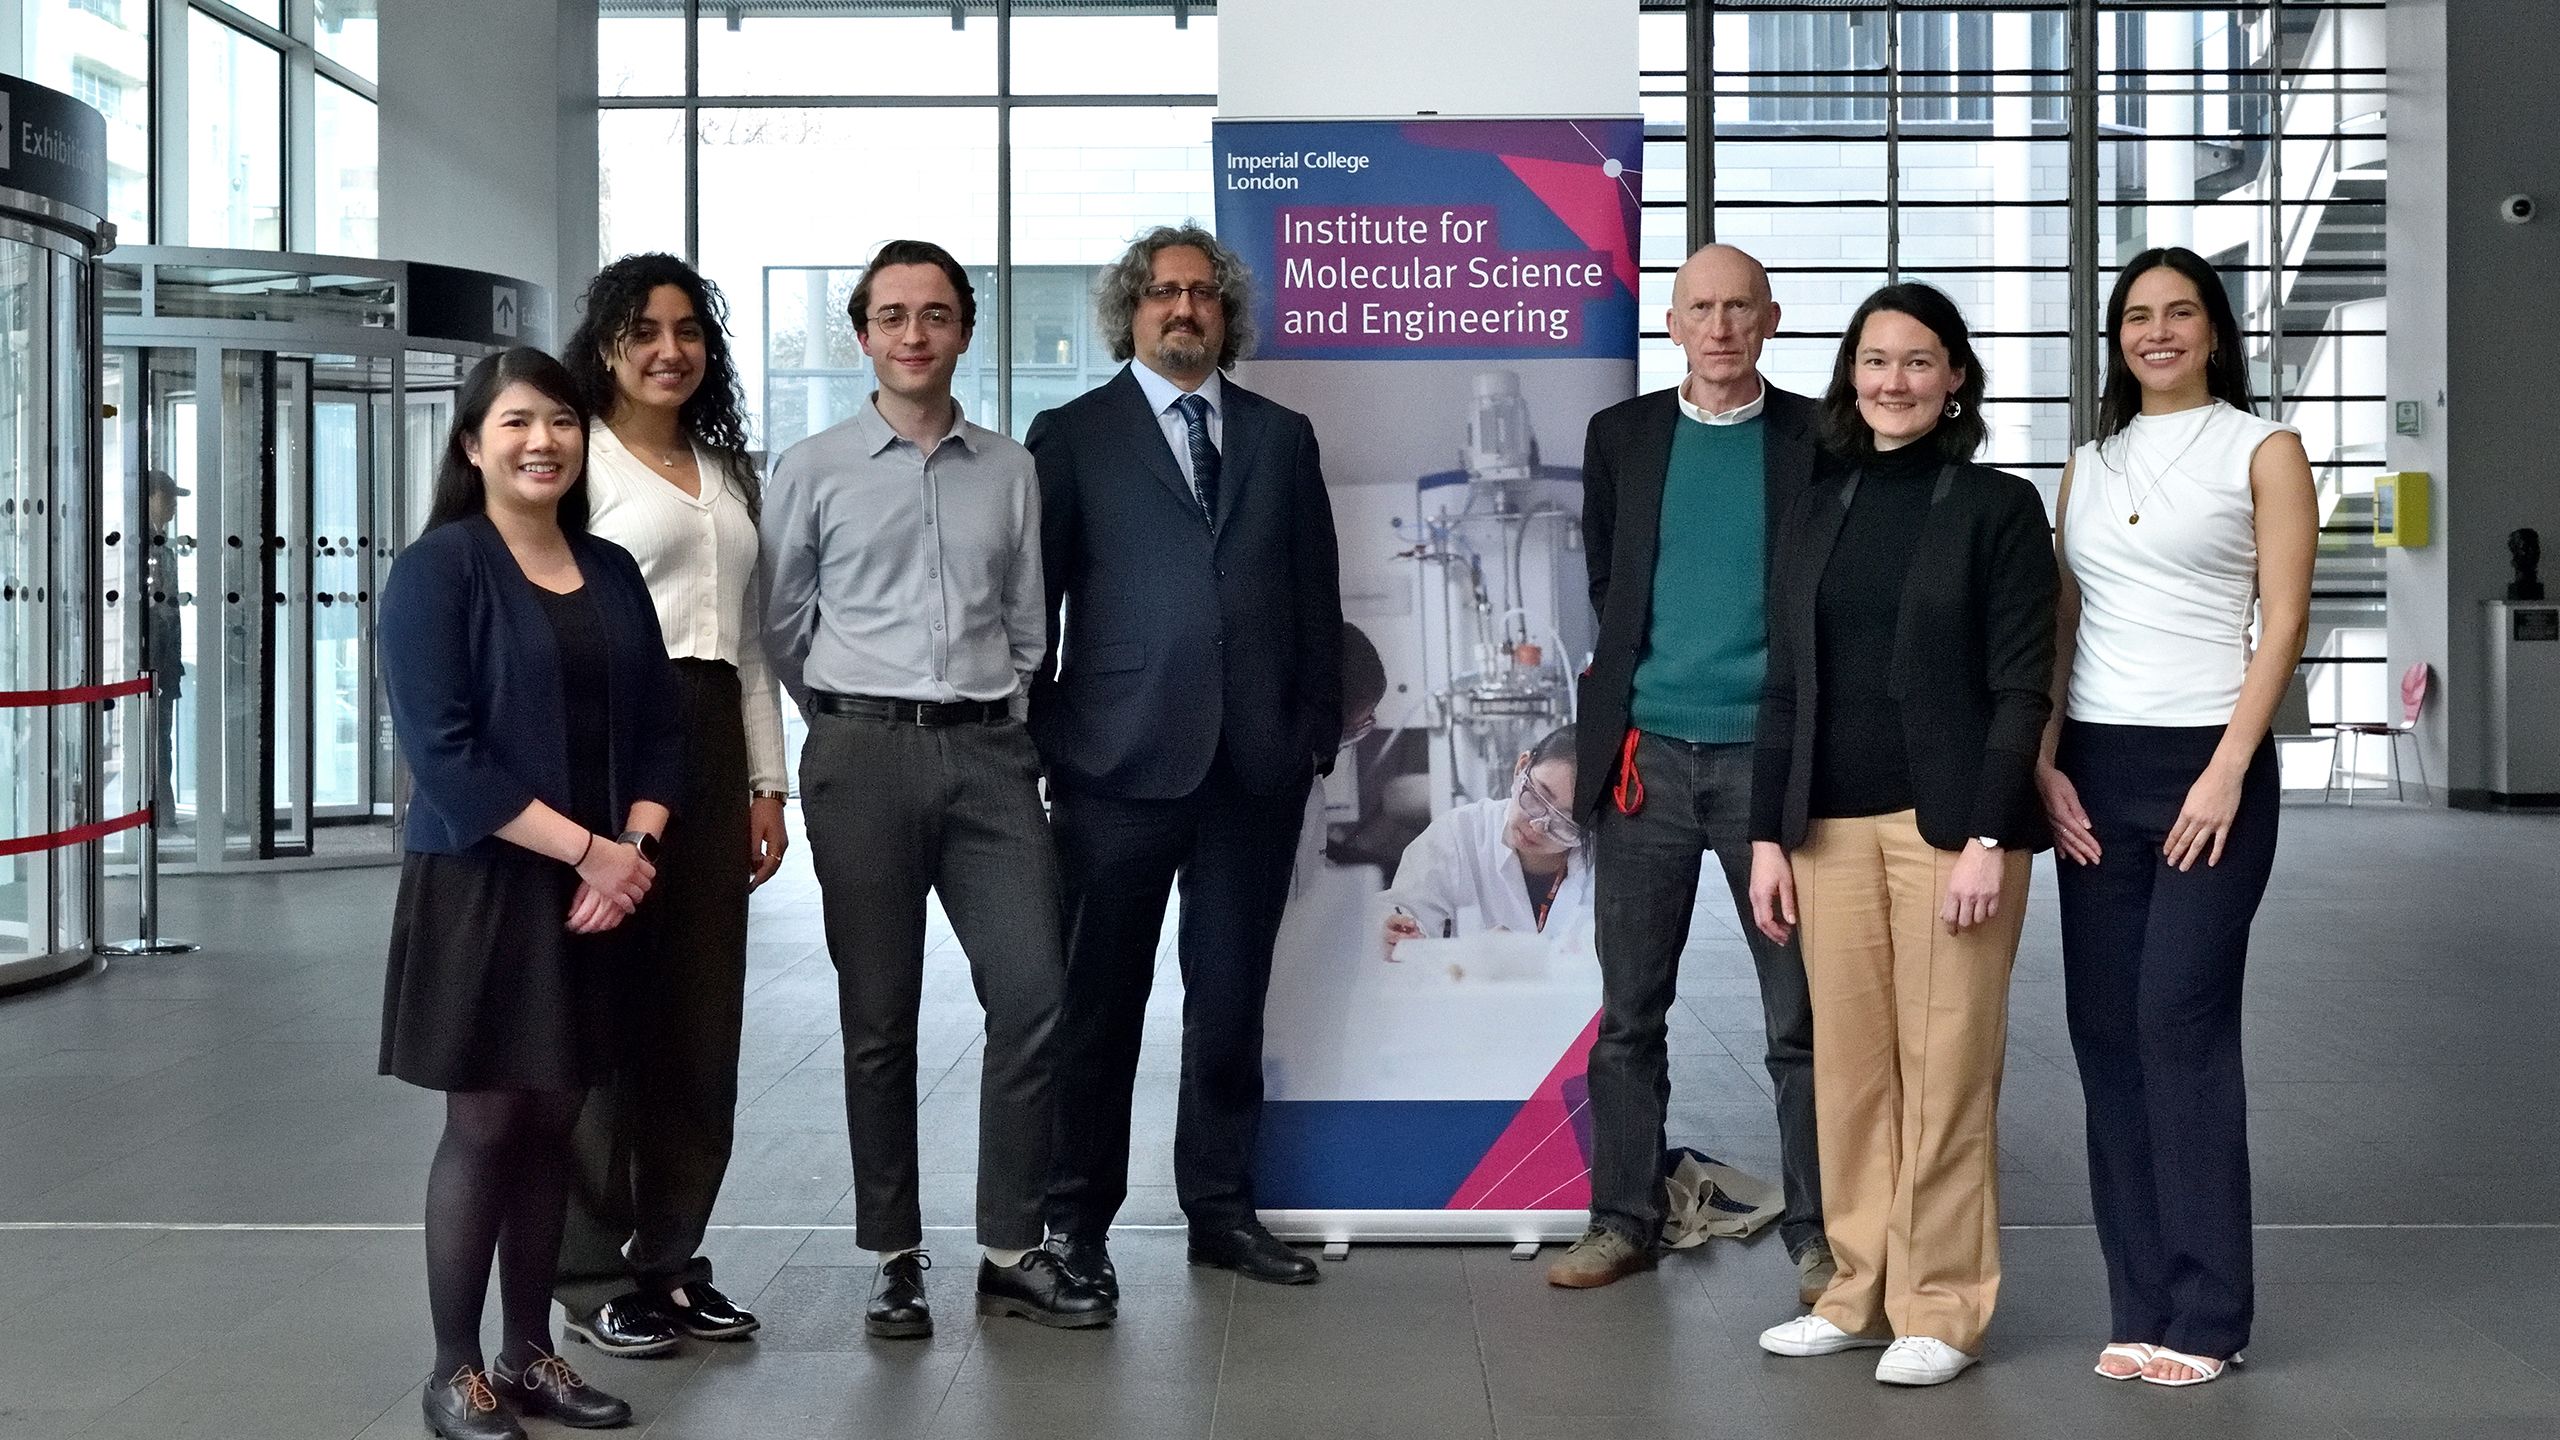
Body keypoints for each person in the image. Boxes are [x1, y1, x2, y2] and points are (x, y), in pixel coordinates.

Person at [761, 239, 1109, 1339]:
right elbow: (781, 624)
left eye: (936, 314)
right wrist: (843, 719)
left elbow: (1028, 622)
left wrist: (999, 720)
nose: (914, 334)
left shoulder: (1009, 469)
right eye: (893, 316)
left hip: (991, 758)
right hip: (861, 755)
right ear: (863, 335)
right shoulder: (812, 467)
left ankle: (1010, 1246)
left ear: (964, 329)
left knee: (1034, 993)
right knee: (879, 1016)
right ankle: (893, 1253)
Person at [1746, 282, 2057, 1387]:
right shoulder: (1815, 506)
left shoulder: (1998, 507)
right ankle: (1857, 1291)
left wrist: (1988, 836)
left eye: (1919, 361)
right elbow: (1784, 683)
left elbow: (2022, 686)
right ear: (1850, 376)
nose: (1894, 381)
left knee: (1947, 1068)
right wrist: (1767, 836)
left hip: (1949, 835)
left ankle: (1942, 1307)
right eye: (1875, 361)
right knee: (1850, 1073)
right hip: (1824, 829)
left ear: (1955, 377)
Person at [1029, 223, 1344, 1296]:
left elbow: (1314, 595)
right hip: (1114, 765)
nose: (1184, 309)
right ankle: (1076, 1224)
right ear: (1132, 309)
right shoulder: (1071, 435)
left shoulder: (1280, 437)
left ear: (1225, 313)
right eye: (1164, 292)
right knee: (1098, 1007)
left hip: (1252, 771)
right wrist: (1049, 737)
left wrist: (1310, 732)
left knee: (1229, 1003)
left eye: (1203, 293)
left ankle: (1221, 1211)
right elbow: (1034, 605)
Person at [378, 347, 680, 1439]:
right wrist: (591, 853)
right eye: (515, 423)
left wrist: (630, 848)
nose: (541, 442)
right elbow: (444, 754)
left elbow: (662, 728)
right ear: (472, 444)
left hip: (596, 890)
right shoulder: (439, 571)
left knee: (556, 1121)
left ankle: (531, 1353)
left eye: (559, 421)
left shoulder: (610, 569)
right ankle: (454, 1370)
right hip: (485, 886)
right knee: (488, 1121)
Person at [2036, 247, 2315, 1388]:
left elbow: (2283, 620)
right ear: (2117, 337)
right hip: (2094, 767)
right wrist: (2045, 759)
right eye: (2138, 315)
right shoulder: (2088, 464)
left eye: (2180, 312)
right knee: (2104, 1033)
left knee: (2178, 1024)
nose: (2157, 331)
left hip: (2211, 764)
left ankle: (2208, 1313)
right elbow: (2064, 625)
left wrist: (2228, 767)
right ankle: (2139, 1300)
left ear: (2213, 332)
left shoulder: (2264, 448)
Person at [1556, 243, 1829, 1296]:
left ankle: (1820, 1235)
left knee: (1799, 1020)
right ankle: (1622, 1220)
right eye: (1700, 308)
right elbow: (1609, 582)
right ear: (1671, 323)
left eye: (1739, 308)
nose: (1720, 327)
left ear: (1771, 318)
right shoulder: (1620, 437)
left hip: (1774, 766)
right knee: (1630, 1015)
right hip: (1648, 763)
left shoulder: (1819, 438)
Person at [551, 253, 788, 1356]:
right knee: (607, 1018)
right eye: (642, 330)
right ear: (605, 345)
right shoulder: (580, 460)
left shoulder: (728, 471)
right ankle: (590, 1271)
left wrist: (765, 783)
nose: (668, 350)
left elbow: (750, 643)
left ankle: (671, 1258)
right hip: (606, 747)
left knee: (700, 1022)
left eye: (688, 330)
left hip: (710, 743)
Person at [1381, 724, 1590, 954]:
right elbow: (1401, 911)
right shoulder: (1458, 834)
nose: (1537, 825)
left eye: (1564, 821)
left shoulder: (1601, 871)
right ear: (1521, 768)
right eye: (1536, 798)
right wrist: (1397, 933)